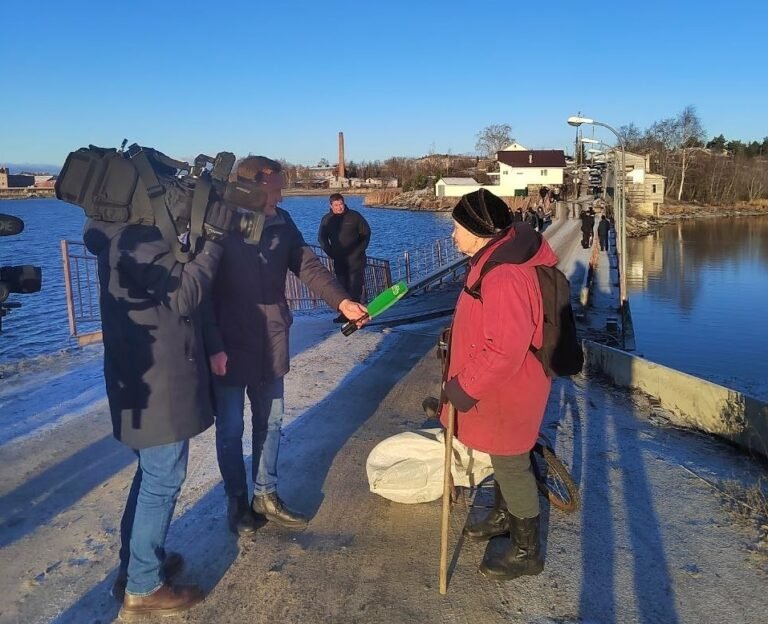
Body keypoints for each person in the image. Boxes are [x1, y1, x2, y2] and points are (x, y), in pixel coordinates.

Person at [83, 192, 238, 618]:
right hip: (155, 382)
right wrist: (214, 239)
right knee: (163, 477)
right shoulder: (139, 240)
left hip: (137, 376)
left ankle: (136, 564)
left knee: (151, 473)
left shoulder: (118, 236)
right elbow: (185, 293)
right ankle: (144, 586)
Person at [205, 157, 367, 536]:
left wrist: (342, 301)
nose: (281, 194)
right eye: (275, 188)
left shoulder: (282, 220)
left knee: (271, 421)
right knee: (230, 428)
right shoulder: (218, 222)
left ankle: (265, 493)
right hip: (227, 341)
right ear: (251, 186)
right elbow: (201, 292)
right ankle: (236, 501)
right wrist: (212, 344)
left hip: (270, 337)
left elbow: (307, 266)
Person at [439, 187, 558, 581]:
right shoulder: (494, 258)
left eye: (457, 227)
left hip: (508, 387)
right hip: (502, 385)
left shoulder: (503, 273)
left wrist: (463, 387)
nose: (453, 235)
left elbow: (505, 350)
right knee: (504, 458)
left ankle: (528, 551)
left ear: (479, 231)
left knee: (511, 463)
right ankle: (505, 516)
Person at [317, 193, 371, 322]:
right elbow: (322, 239)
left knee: (355, 287)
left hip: (356, 259)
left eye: (341, 204)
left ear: (344, 203)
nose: (339, 207)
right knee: (342, 287)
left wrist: (359, 250)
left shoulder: (354, 216)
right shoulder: (327, 220)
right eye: (336, 205)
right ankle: (344, 315)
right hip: (339, 260)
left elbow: (366, 233)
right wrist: (331, 253)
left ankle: (358, 315)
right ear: (331, 205)